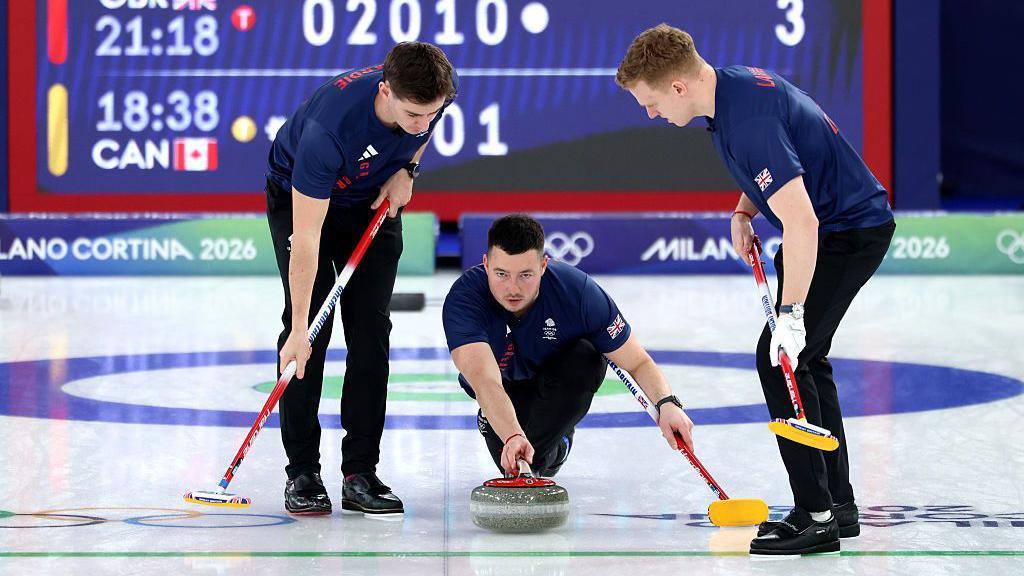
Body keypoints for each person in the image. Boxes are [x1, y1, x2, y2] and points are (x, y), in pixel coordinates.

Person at [616, 24, 895, 556]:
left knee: (781, 361)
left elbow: (804, 224)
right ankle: (837, 503)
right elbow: (788, 159)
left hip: (844, 232)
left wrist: (790, 315)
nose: (649, 114)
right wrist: (747, 207)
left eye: (649, 102)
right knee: (807, 360)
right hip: (833, 226)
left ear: (677, 88)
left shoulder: (747, 122)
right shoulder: (731, 90)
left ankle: (815, 517)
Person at [266, 42, 457, 516]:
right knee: (310, 332)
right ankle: (303, 472)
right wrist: (297, 330)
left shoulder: (432, 93)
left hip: (373, 199)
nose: (423, 124)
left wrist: (408, 169)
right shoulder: (327, 133)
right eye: (413, 114)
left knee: (371, 331)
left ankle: (360, 473)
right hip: (308, 202)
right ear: (385, 91)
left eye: (431, 115)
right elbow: (307, 241)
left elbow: (422, 129)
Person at [442, 214, 694, 479]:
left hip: (555, 380)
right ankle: (535, 437)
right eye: (501, 274)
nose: (512, 288)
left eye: (525, 275)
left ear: (543, 266)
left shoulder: (580, 294)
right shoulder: (464, 301)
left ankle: (554, 443)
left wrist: (667, 404)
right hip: (502, 387)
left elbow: (637, 361)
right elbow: (484, 381)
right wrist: (513, 435)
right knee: (513, 451)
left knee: (587, 358)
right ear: (486, 264)